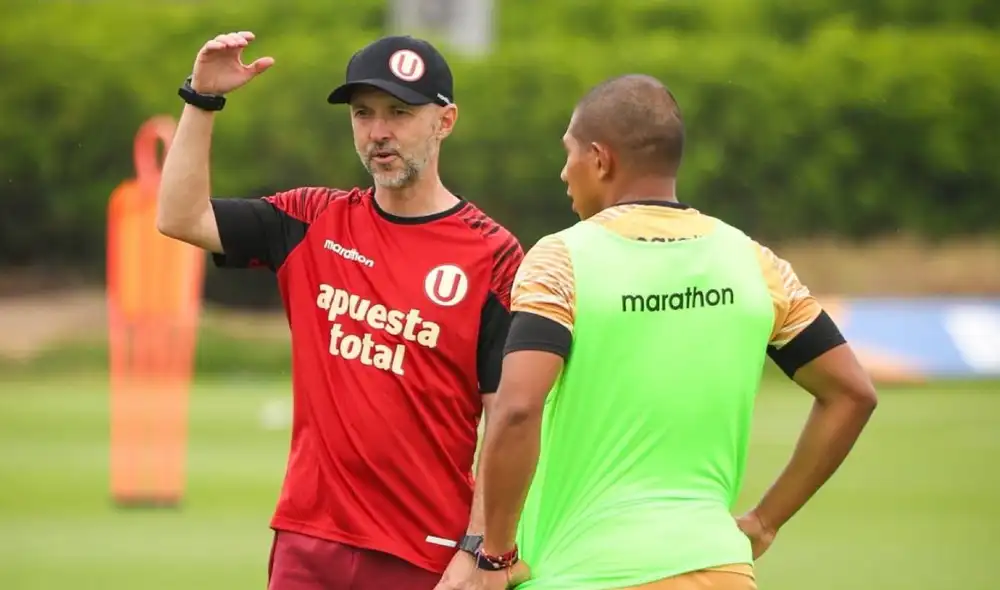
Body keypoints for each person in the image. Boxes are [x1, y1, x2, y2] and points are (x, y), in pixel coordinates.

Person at [469, 74, 878, 590]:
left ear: (600, 159)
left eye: (568, 153)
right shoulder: (753, 261)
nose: (563, 172)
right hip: (720, 568)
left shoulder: (560, 259)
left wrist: (495, 556)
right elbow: (852, 393)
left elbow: (518, 408)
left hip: (587, 573)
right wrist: (764, 521)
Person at [156, 31, 524, 590]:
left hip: (425, 554)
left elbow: (506, 420)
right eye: (363, 113)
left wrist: (480, 552)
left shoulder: (492, 254)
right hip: (308, 545)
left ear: (445, 122)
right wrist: (202, 98)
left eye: (399, 112)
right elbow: (181, 216)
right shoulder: (311, 220)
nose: (378, 132)